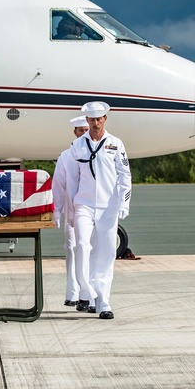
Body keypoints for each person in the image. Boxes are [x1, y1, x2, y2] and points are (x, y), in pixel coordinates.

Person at [61, 101, 131, 320]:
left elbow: (125, 175)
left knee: (107, 253)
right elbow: (72, 180)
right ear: (87, 121)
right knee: (82, 245)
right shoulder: (77, 146)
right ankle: (86, 290)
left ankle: (103, 302)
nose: (95, 123)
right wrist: (71, 209)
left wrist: (124, 203)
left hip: (108, 207)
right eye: (91, 120)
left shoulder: (116, 143)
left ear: (104, 119)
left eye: (98, 119)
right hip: (84, 204)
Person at [52, 115, 90, 306]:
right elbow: (58, 185)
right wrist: (57, 211)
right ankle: (72, 293)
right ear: (75, 132)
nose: (84, 133)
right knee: (71, 251)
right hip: (70, 213)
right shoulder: (65, 157)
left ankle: (88, 294)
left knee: (88, 251)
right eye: (81, 130)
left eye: (86, 130)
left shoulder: (95, 153)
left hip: (90, 212)